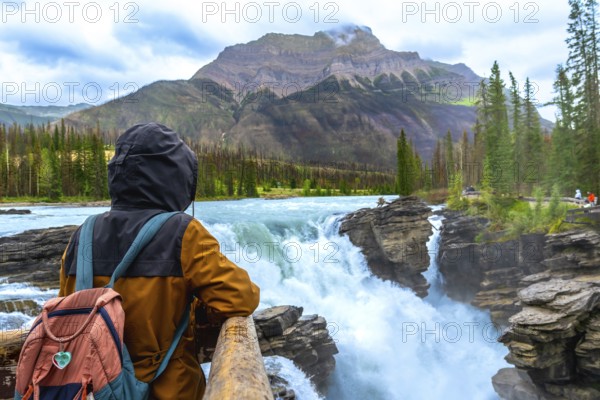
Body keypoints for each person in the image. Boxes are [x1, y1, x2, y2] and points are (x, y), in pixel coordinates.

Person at [58, 123, 260, 399]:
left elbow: (66, 310)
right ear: (176, 178)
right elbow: (242, 297)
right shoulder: (182, 233)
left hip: (88, 389)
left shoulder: (81, 235)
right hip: (168, 391)